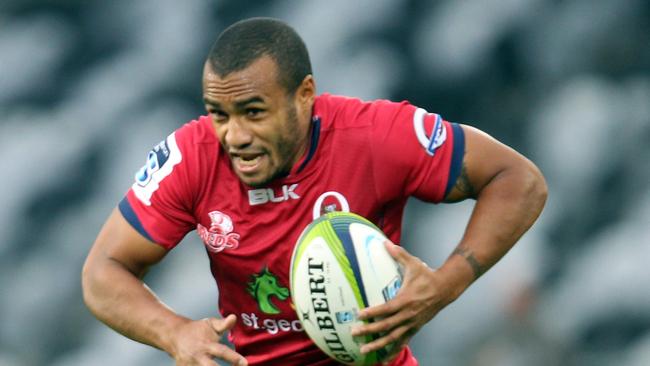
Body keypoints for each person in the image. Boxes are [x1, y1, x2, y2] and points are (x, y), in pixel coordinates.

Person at [81, 17, 547, 366]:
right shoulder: (192, 156)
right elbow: (104, 269)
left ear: (305, 95)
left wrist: (445, 285)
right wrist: (174, 332)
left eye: (253, 111)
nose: (234, 135)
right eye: (219, 114)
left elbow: (518, 180)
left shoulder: (376, 136)